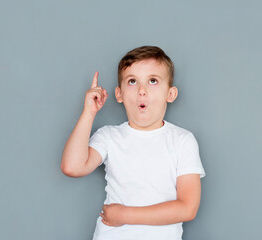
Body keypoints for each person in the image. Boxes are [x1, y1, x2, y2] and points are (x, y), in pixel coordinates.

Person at [61, 46, 206, 240]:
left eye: (153, 81)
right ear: (119, 94)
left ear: (170, 94)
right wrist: (89, 112)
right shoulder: (109, 136)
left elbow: (187, 208)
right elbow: (72, 167)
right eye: (132, 81)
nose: (142, 91)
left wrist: (124, 215)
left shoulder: (182, 141)